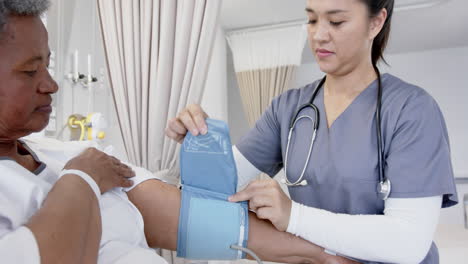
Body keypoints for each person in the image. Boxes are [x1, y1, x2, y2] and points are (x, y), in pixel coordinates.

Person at [0, 1, 357, 263]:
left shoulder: (58, 152)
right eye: (30, 71)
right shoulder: (82, 164)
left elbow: (189, 217)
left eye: (48, 65)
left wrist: (320, 255)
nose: (50, 85)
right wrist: (83, 179)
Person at [166, 0, 458, 263]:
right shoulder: (288, 108)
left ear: (376, 22)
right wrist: (201, 143)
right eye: (312, 19)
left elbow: (407, 242)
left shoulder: (412, 110)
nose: (318, 35)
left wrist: (294, 216)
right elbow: (219, 188)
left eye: (336, 21)